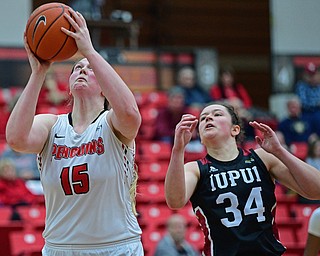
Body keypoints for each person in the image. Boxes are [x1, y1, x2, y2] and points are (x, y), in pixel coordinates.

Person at [6, 8, 143, 256]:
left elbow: (132, 114)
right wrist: (38, 73)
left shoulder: (112, 123)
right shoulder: (52, 125)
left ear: (105, 86)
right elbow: (16, 139)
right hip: (60, 248)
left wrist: (89, 50)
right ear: (68, 86)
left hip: (115, 248)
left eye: (90, 68)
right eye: (77, 67)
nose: (81, 69)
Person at [165, 101, 320, 255]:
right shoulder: (195, 169)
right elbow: (175, 201)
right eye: (203, 118)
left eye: (217, 114)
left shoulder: (262, 158)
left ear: (235, 129)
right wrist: (178, 149)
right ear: (201, 137)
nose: (208, 119)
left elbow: (316, 191)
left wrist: (279, 151)